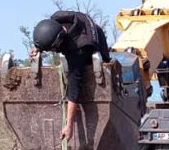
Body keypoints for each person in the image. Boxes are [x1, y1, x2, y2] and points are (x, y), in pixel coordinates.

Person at [29, 11, 112, 140]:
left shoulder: (77, 49)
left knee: (98, 71)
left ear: (59, 42)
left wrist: (69, 125)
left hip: (95, 41)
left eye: (51, 49)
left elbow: (74, 90)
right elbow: (48, 34)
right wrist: (39, 47)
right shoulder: (56, 19)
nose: (52, 52)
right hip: (79, 29)